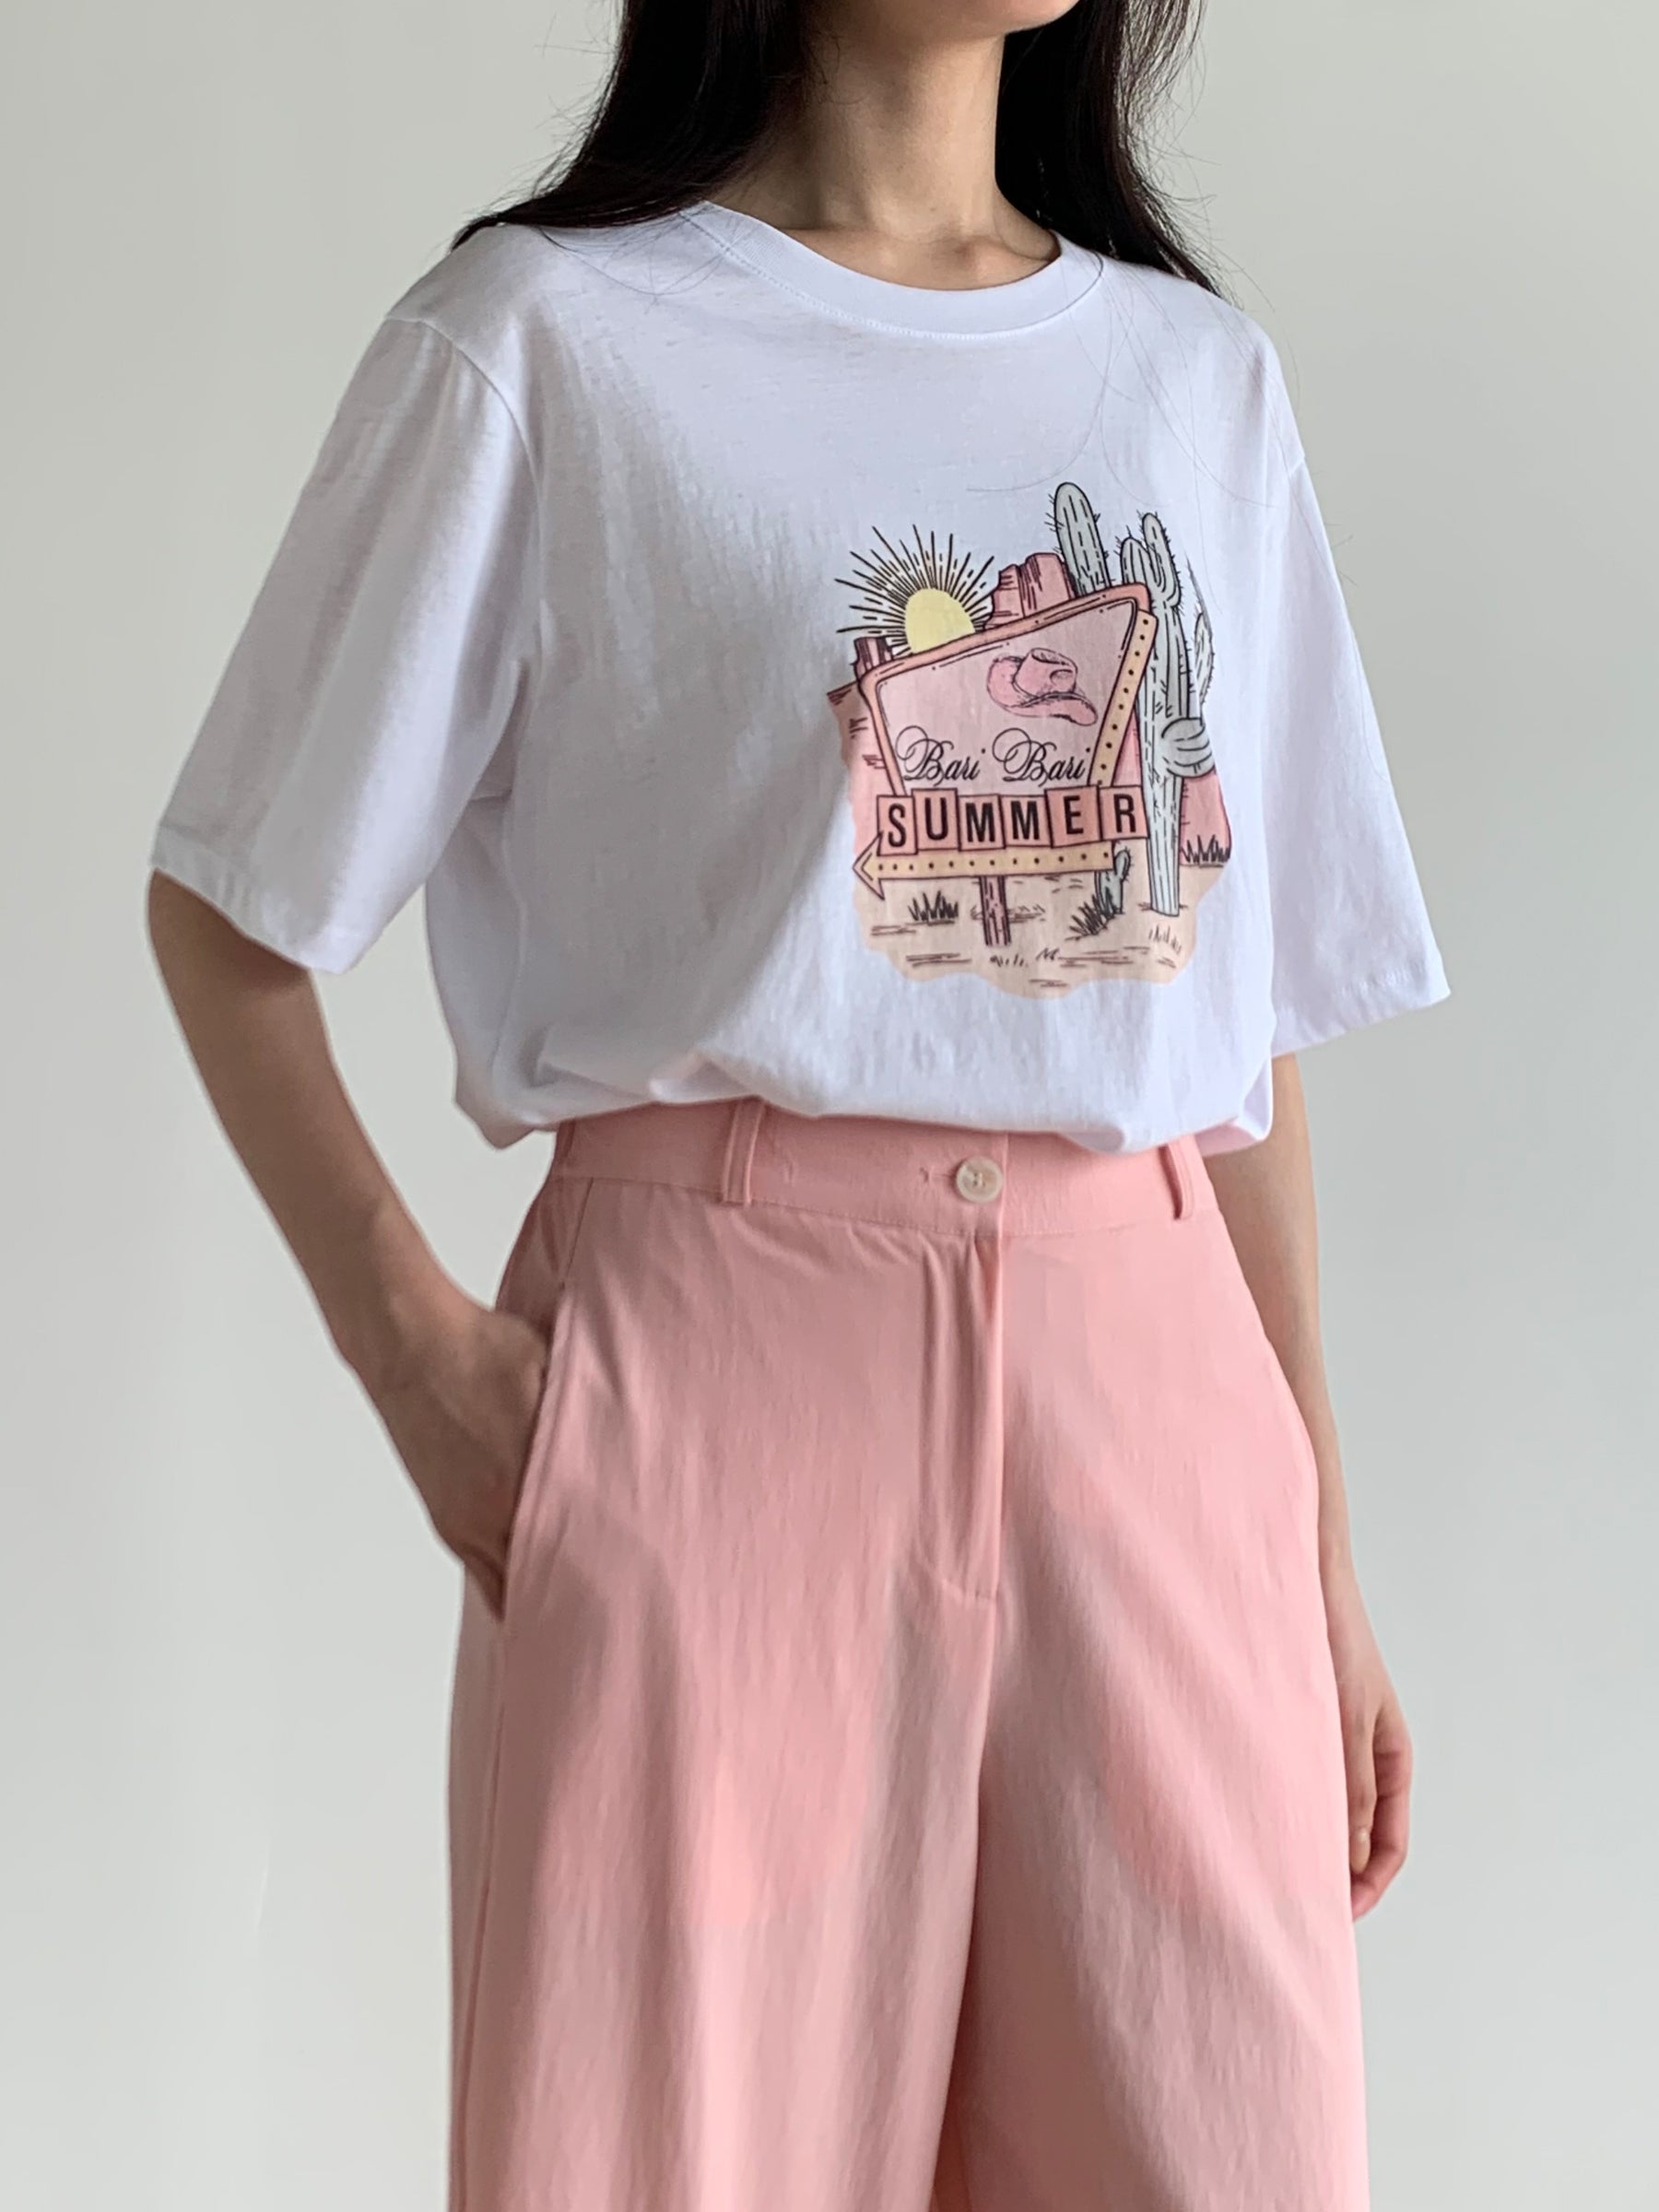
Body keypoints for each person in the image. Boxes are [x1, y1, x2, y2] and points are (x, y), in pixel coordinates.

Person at [146, 1, 1450, 2205]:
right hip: (714, 1387)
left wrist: (1314, 1545)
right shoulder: (549, 345)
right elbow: (233, 911)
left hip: (1155, 1403)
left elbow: (1238, 1032)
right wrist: (421, 1368)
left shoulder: (1193, 381)